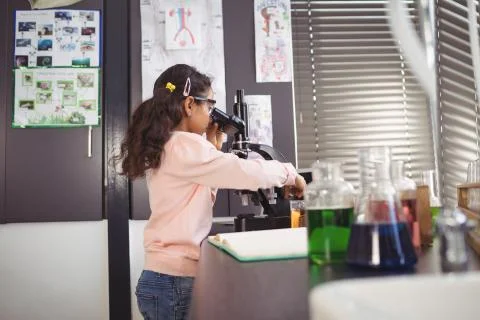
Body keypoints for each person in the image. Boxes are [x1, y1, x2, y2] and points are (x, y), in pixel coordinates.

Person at [115, 64, 306, 320]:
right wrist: (290, 173)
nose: (211, 114)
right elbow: (243, 172)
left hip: (162, 279)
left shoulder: (171, 145)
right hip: (174, 282)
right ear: (190, 104)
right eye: (210, 105)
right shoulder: (184, 144)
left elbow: (201, 189)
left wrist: (214, 150)